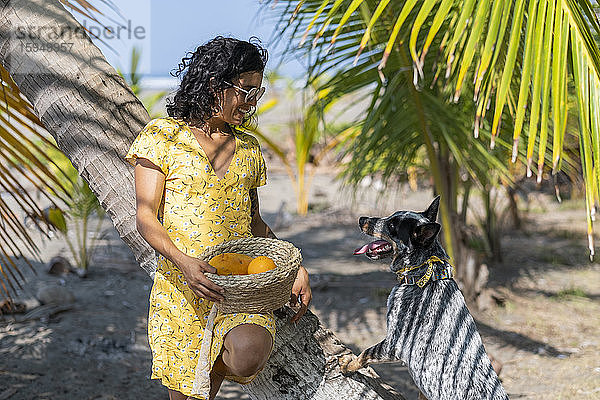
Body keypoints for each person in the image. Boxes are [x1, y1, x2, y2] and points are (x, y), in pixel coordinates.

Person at [124, 36, 312, 400]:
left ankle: (211, 369)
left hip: (240, 287)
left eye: (256, 92)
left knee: (248, 354)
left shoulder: (249, 148)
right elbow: (146, 215)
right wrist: (185, 263)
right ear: (214, 84)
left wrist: (294, 268)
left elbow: (254, 223)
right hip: (184, 286)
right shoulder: (163, 136)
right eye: (244, 90)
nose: (251, 101)